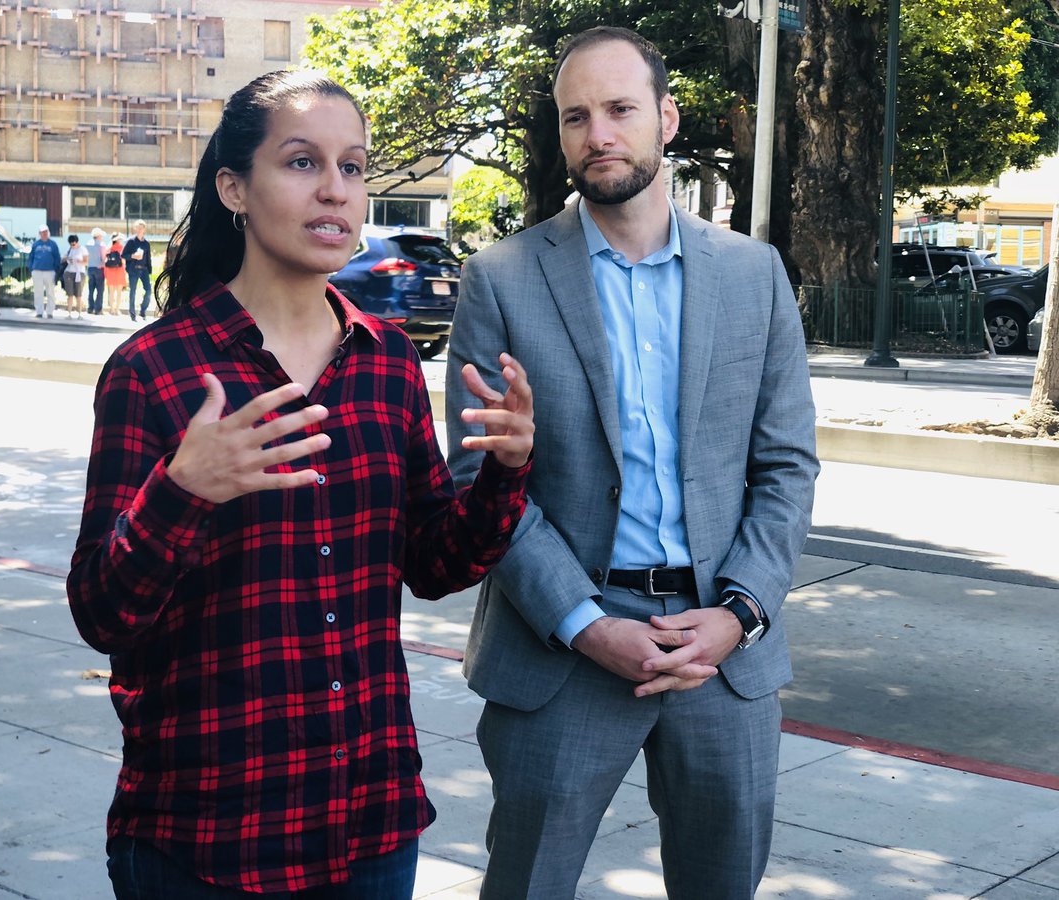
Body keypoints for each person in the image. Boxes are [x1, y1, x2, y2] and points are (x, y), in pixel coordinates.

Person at [66, 69, 535, 899]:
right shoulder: (156, 370)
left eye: (352, 168)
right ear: (233, 188)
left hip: (368, 822)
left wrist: (504, 470)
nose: (334, 190)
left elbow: (433, 564)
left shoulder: (386, 363)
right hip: (206, 834)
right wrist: (183, 489)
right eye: (301, 162)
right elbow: (103, 614)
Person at [444, 26, 819, 900]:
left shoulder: (753, 274)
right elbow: (480, 476)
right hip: (563, 650)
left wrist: (740, 613)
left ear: (668, 119)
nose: (599, 134)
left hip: (718, 652)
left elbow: (786, 466)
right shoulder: (500, 278)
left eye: (619, 109)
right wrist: (582, 622)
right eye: (577, 117)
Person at [28, 224, 62, 318]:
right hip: (37, 271)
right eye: (43, 232)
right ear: (39, 233)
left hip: (50, 271)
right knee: (38, 292)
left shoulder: (53, 244)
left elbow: (57, 257)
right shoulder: (36, 244)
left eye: (46, 231)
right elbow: (31, 257)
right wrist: (31, 268)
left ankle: (50, 312)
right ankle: (39, 311)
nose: (45, 234)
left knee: (50, 292)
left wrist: (56, 269)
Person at [123, 218, 152, 321]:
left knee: (148, 290)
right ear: (135, 229)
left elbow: (148, 257)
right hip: (133, 269)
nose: (140, 230)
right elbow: (124, 255)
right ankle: (132, 314)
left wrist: (149, 270)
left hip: (144, 269)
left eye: (141, 228)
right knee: (133, 291)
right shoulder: (131, 242)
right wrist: (133, 256)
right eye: (138, 228)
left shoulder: (146, 243)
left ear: (144, 229)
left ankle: (143, 310)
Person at [62, 234, 89, 318]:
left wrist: (79, 261)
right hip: (69, 272)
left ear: (77, 242)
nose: (72, 245)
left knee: (78, 295)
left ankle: (79, 313)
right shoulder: (70, 250)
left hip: (79, 272)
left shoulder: (82, 249)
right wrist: (68, 259)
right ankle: (69, 313)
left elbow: (86, 262)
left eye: (74, 244)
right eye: (71, 244)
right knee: (70, 294)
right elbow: (63, 258)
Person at [103, 232, 127, 315]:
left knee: (111, 292)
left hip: (110, 271)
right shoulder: (121, 248)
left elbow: (105, 261)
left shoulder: (108, 248)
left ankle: (111, 309)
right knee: (119, 292)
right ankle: (117, 309)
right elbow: (124, 260)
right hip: (119, 271)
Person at [86, 227, 107, 315]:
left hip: (90, 268)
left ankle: (90, 307)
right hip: (99, 268)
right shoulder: (102, 245)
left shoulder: (88, 244)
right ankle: (98, 309)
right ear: (98, 236)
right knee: (100, 289)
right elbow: (103, 258)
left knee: (91, 289)